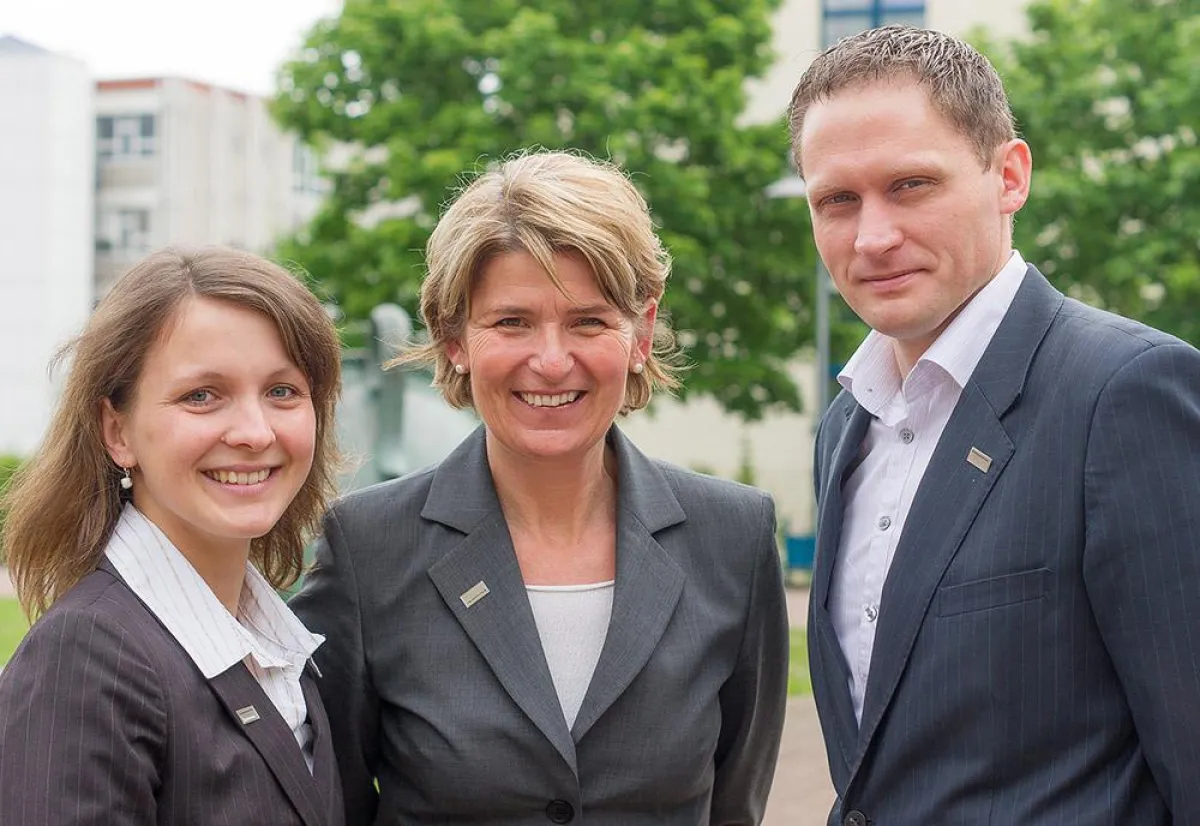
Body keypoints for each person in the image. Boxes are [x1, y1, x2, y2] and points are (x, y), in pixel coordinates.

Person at [291, 150, 789, 825]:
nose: (551, 362)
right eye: (511, 322)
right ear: (453, 337)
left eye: (588, 320)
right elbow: (331, 804)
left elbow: (735, 804)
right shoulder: (367, 549)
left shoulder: (735, 537)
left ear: (640, 333)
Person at [791, 24, 1200, 825]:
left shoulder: (1126, 392)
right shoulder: (846, 426)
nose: (872, 236)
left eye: (910, 184)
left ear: (1008, 176)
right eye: (837, 199)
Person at [0, 247, 345, 825]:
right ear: (117, 431)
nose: (255, 432)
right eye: (201, 396)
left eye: (282, 391)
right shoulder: (87, 658)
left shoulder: (281, 649)